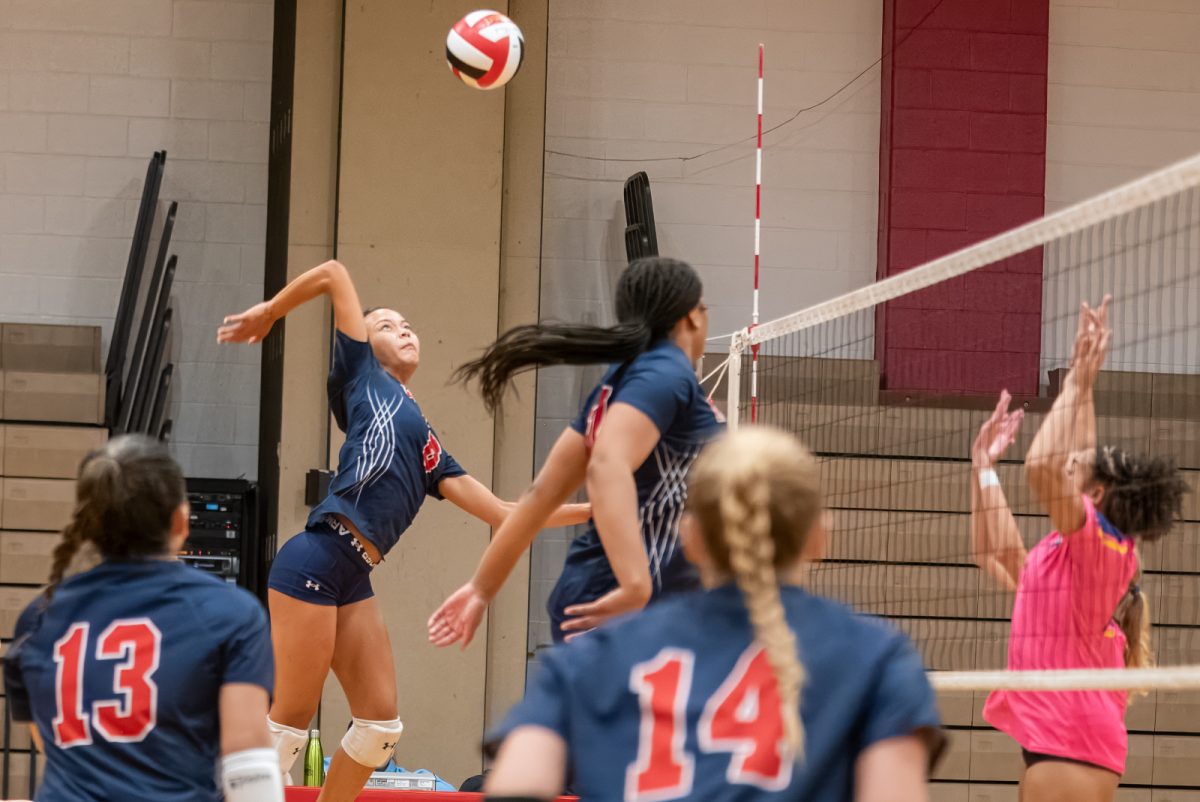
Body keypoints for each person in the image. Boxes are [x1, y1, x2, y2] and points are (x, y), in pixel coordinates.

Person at [217, 258, 588, 801]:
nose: (403, 329)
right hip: (316, 558)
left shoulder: (426, 439)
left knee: (378, 729)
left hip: (353, 574)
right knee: (290, 723)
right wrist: (271, 312)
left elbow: (507, 514)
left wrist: (593, 510)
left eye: (407, 323)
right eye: (385, 325)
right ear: (363, 345)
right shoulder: (359, 376)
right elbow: (334, 274)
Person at [483, 427, 945, 802]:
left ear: (691, 538)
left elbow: (514, 789)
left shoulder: (594, 656)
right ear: (818, 537)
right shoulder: (877, 657)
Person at [428, 257, 723, 648]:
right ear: (692, 316)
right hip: (624, 607)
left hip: (623, 602)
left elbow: (541, 495)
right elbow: (605, 464)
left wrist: (482, 588)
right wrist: (636, 583)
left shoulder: (624, 380)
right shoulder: (664, 375)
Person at [969, 296, 1189, 801]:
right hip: (1061, 748)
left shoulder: (1104, 548)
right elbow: (995, 553)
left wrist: (1074, 383)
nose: (1069, 461)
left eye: (1078, 468)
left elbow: (1044, 466)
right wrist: (983, 467)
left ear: (1093, 497)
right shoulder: (1066, 564)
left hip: (1069, 749)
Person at [1, 435, 281, 802]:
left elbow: (50, 745)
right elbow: (249, 769)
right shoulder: (231, 613)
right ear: (181, 521)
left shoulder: (35, 618)